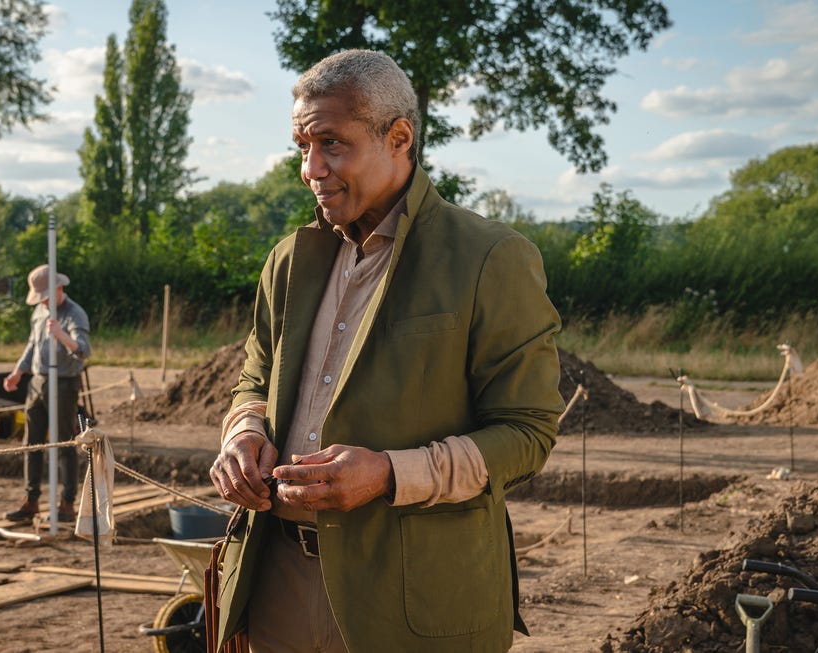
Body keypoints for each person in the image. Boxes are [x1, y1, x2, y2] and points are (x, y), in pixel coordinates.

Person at [209, 49, 564, 653]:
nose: (311, 169)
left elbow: (527, 434)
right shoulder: (289, 261)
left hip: (414, 602)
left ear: (398, 137)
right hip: (277, 585)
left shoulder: (489, 257)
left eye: (332, 144)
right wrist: (241, 436)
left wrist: (389, 475)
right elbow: (255, 377)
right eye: (302, 147)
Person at [4, 264, 91, 523]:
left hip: (64, 384)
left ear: (59, 289)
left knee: (64, 442)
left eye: (45, 296)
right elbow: (32, 344)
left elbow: (83, 350)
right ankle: (31, 500)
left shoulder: (75, 314)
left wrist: (62, 335)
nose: (42, 302)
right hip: (37, 382)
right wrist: (18, 371)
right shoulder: (39, 313)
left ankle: (67, 503)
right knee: (31, 443)